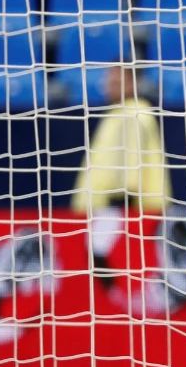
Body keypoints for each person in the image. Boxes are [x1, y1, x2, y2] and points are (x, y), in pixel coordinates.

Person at [71, 65, 170, 285]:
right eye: (108, 81)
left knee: (114, 283)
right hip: (114, 212)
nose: (109, 87)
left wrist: (123, 203)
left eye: (116, 82)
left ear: (134, 84)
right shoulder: (120, 113)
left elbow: (130, 165)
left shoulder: (132, 114)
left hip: (120, 213)